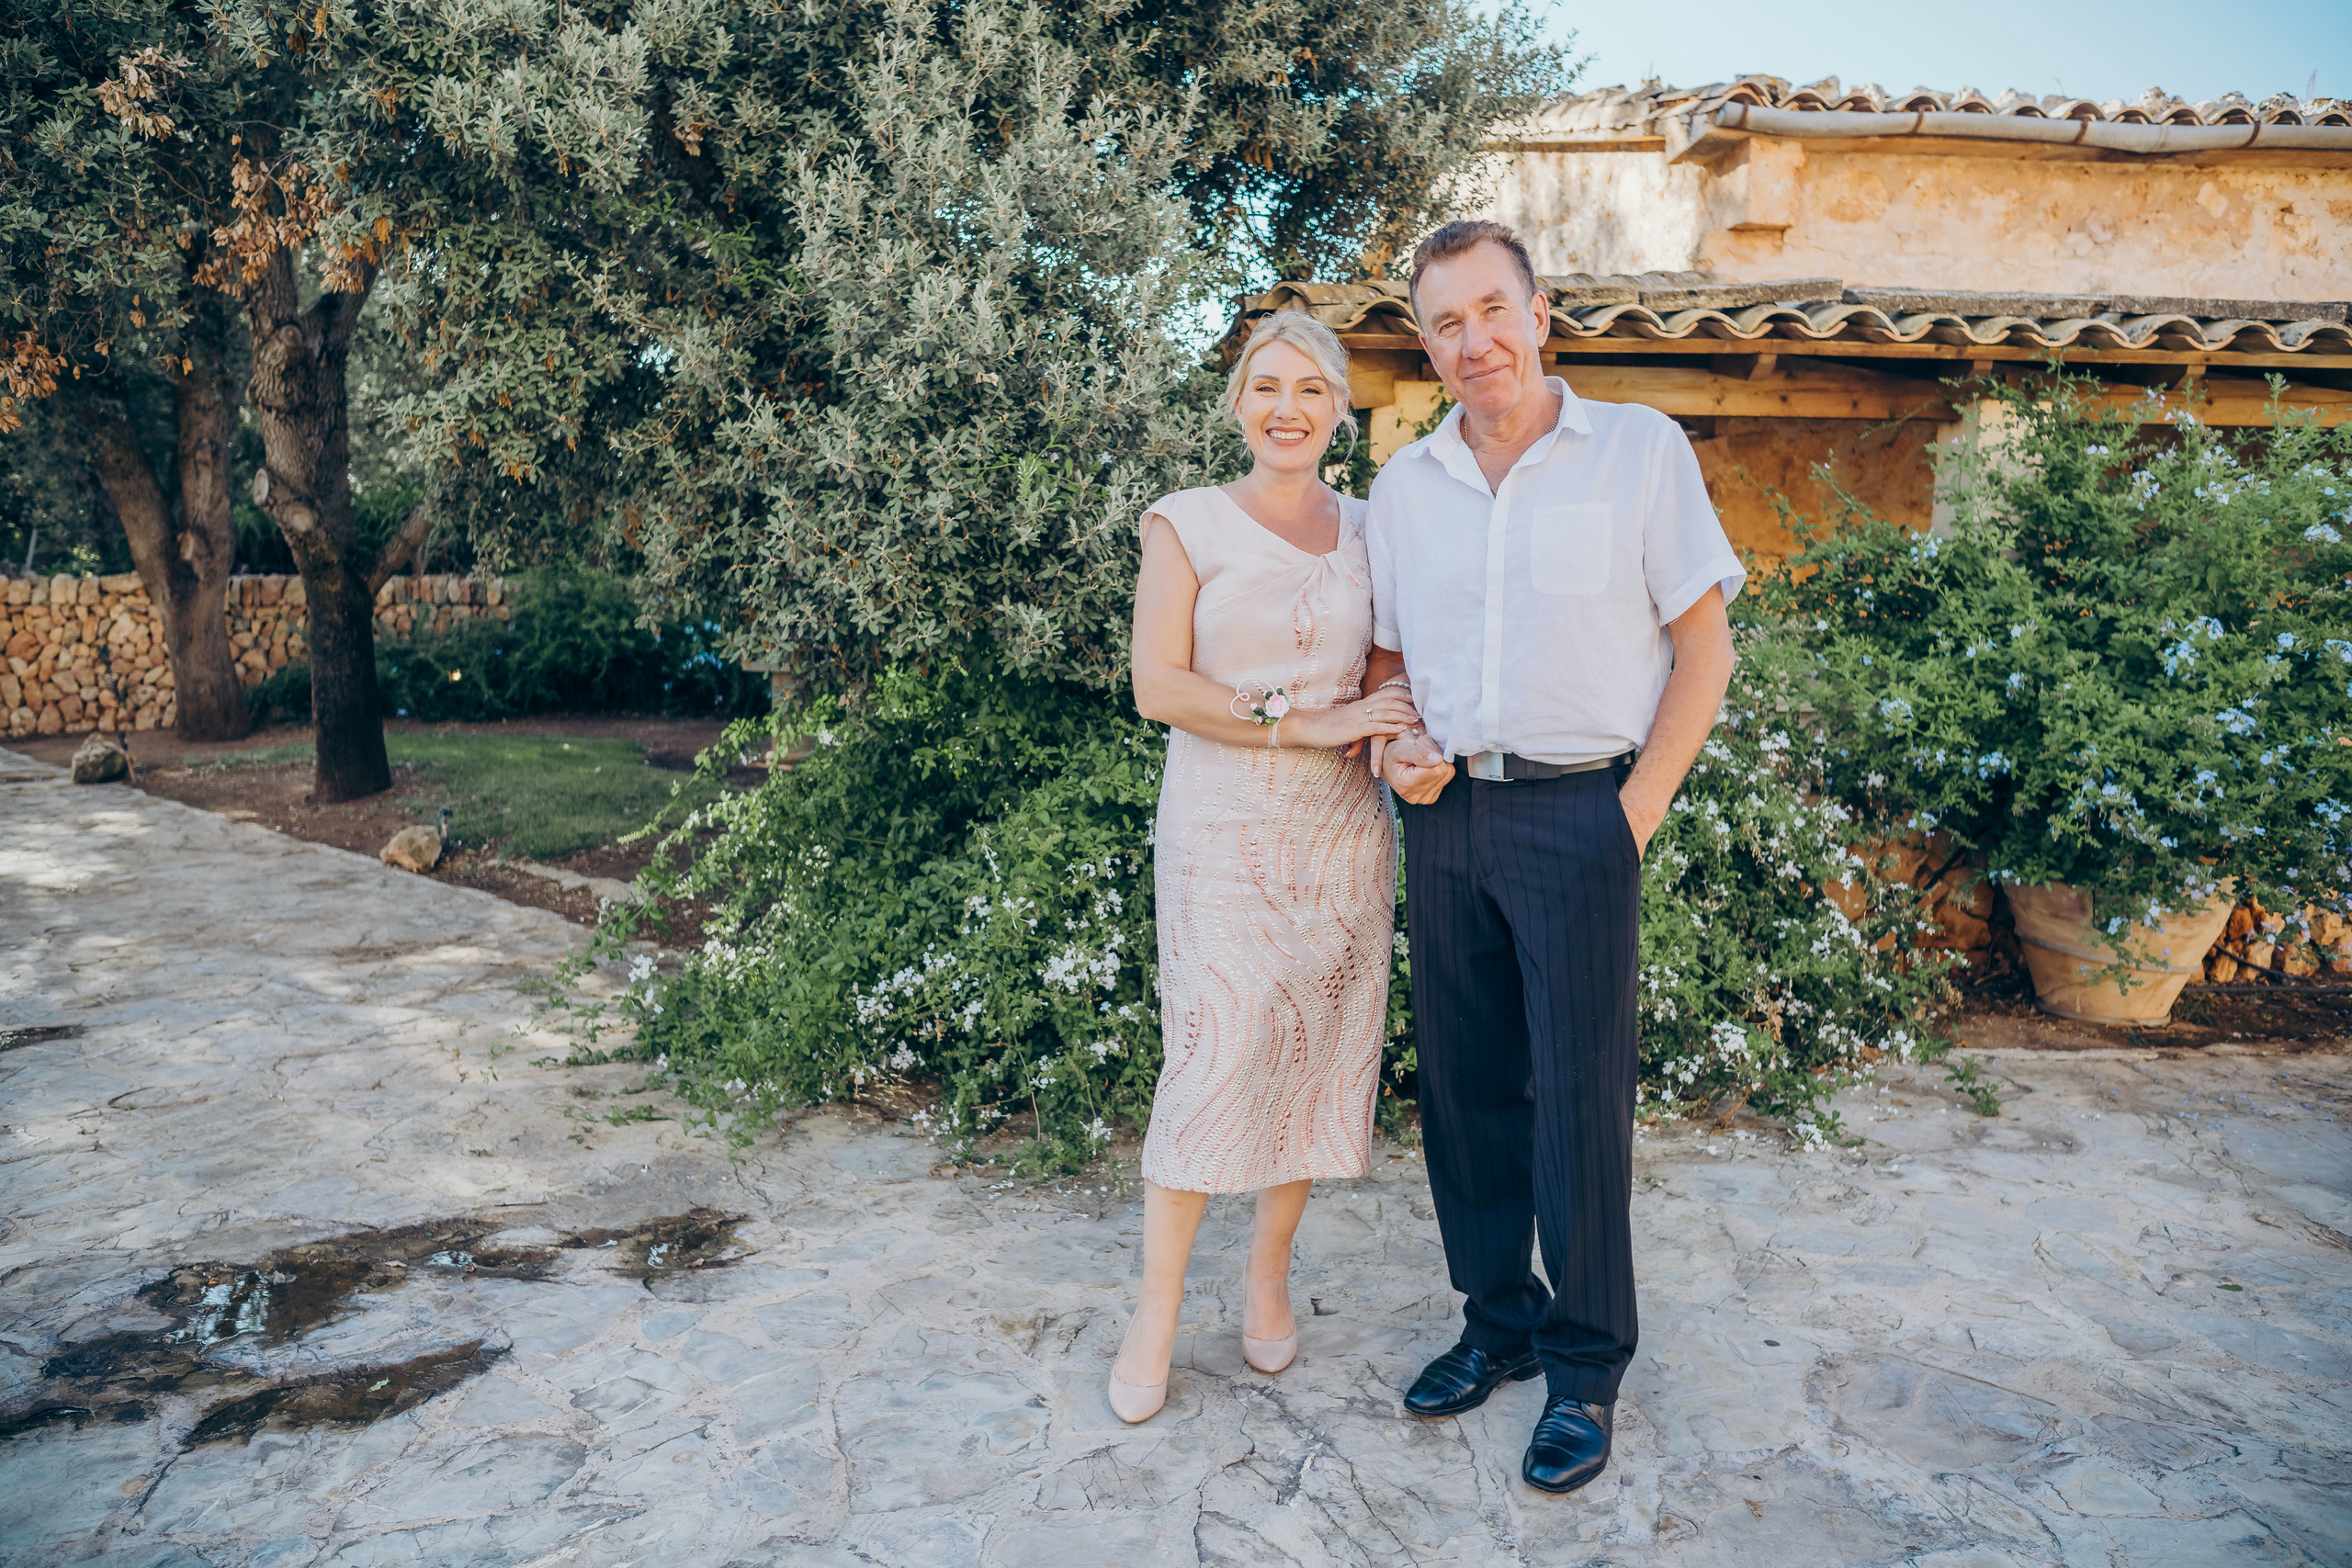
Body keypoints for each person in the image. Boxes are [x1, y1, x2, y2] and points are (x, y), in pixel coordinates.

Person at [1363, 220, 1742, 1494]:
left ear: (1539, 315)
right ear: (1428, 347)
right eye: (1446, 323)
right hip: (1447, 819)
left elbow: (1704, 650)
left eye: (1492, 310)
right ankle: (1500, 1322)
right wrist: (1397, 747)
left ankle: (1584, 1367)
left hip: (1582, 814)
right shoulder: (1405, 488)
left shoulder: (1638, 451)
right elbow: (1387, 660)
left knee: (1579, 1102)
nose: (1474, 340)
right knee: (1466, 1090)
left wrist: (1631, 815)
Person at [1108, 312, 1427, 1425]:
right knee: (1211, 1059)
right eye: (1265, 387)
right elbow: (1158, 686)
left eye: (1309, 389)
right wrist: (1300, 720)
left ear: (1340, 407)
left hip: (1341, 837)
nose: (1286, 408)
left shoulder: (1375, 529)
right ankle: (1154, 1314)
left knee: (1308, 1056)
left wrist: (1397, 740)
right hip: (1221, 832)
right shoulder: (1185, 522)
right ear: (1237, 404)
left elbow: (1386, 678)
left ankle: (1267, 1279)